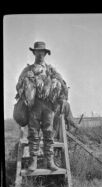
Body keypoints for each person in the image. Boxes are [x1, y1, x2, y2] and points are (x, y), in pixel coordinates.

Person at [15, 41, 79, 171]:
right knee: (33, 133)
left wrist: (59, 86)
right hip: (34, 106)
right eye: (38, 51)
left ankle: (49, 162)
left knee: (49, 133)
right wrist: (25, 81)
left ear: (45, 54)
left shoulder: (50, 69)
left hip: (49, 107)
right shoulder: (28, 70)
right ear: (34, 53)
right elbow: (18, 87)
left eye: (42, 52)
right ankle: (33, 162)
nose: (40, 54)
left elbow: (62, 83)